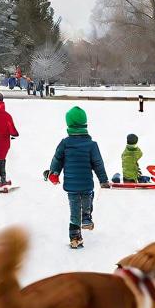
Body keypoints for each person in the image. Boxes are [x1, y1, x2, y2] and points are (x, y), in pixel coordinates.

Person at [47, 106, 110, 248]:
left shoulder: (65, 144)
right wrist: (103, 180)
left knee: (74, 209)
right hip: (87, 184)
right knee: (88, 199)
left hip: (71, 186)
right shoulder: (91, 145)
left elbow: (57, 159)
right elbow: (98, 164)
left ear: (69, 125)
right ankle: (86, 217)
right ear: (85, 124)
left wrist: (54, 173)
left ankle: (75, 238)